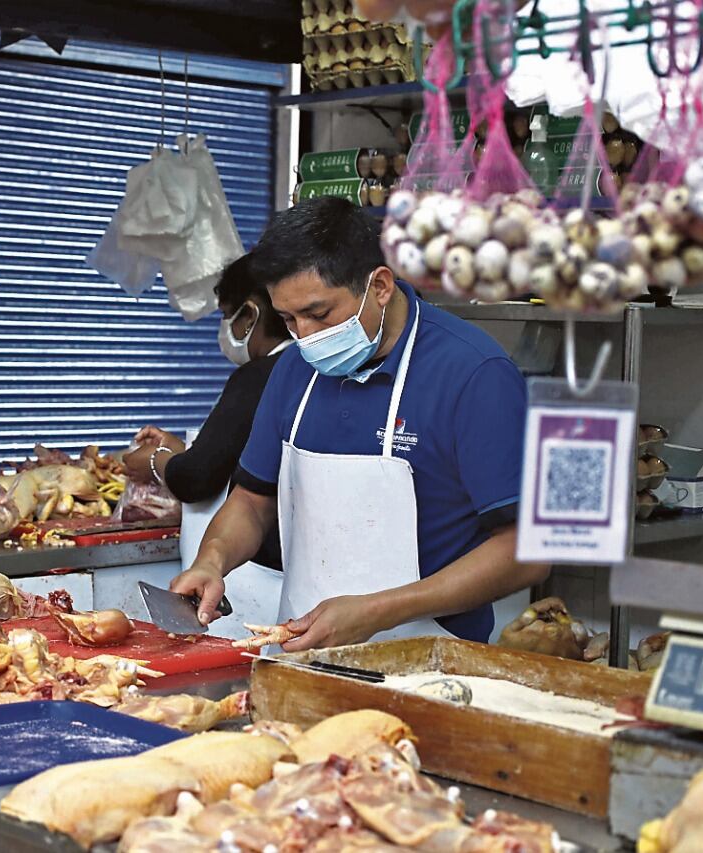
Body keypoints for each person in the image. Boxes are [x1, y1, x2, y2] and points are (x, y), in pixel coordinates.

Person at [170, 197, 549, 649]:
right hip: (300, 652)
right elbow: (253, 502)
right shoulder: (293, 369)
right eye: (289, 319)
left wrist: (375, 612)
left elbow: (525, 553)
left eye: (320, 313)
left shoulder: (473, 373)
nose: (305, 336)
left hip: (429, 661)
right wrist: (212, 561)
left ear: (381, 286)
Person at [122, 254, 292, 569]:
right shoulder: (301, 369)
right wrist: (182, 449)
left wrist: (152, 460)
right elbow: (236, 454)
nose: (225, 327)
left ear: (250, 314)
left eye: (228, 315)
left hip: (252, 568)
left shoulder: (261, 375)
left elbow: (197, 478)